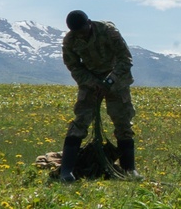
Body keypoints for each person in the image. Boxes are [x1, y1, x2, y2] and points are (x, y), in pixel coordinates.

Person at [58, 10, 141, 182]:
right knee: (80, 121)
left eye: (84, 31)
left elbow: (125, 59)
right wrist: (93, 83)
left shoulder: (108, 31)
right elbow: (74, 67)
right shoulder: (70, 40)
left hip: (117, 80)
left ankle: (129, 170)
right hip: (90, 82)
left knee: (123, 122)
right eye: (78, 33)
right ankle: (66, 172)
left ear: (89, 22)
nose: (81, 35)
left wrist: (109, 82)